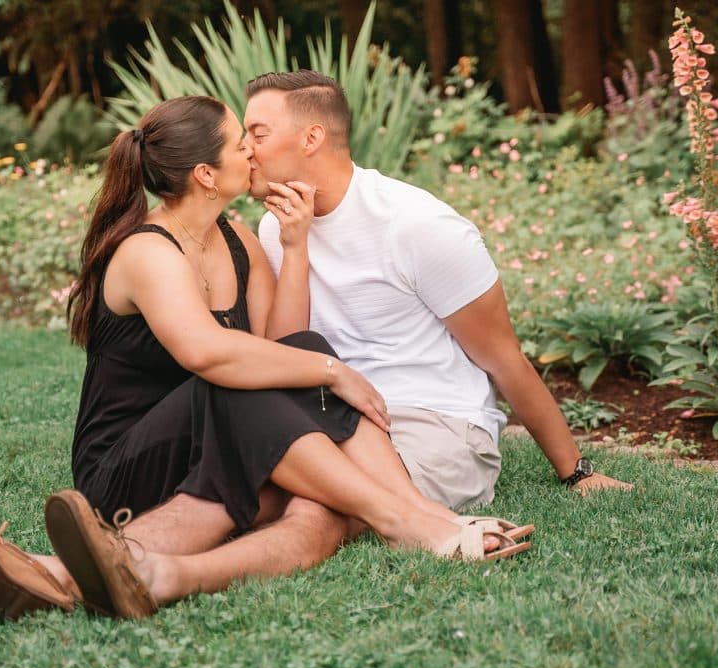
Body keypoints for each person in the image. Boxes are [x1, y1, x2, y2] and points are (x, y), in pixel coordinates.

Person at [0, 96, 531, 622]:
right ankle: (410, 522)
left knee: (295, 374)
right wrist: (335, 372)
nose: (254, 153)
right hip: (128, 463)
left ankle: (71, 574)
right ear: (207, 174)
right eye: (241, 144)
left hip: (213, 444)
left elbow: (284, 347)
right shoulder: (148, 251)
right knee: (245, 378)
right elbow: (210, 355)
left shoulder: (235, 236)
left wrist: (296, 245)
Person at [245, 70, 635, 511]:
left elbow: (504, 358)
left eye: (257, 134)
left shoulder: (417, 225)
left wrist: (576, 471)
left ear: (311, 137)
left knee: (318, 506)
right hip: (335, 415)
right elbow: (286, 352)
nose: (245, 150)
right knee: (267, 493)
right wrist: (294, 249)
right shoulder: (277, 227)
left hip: (434, 422)